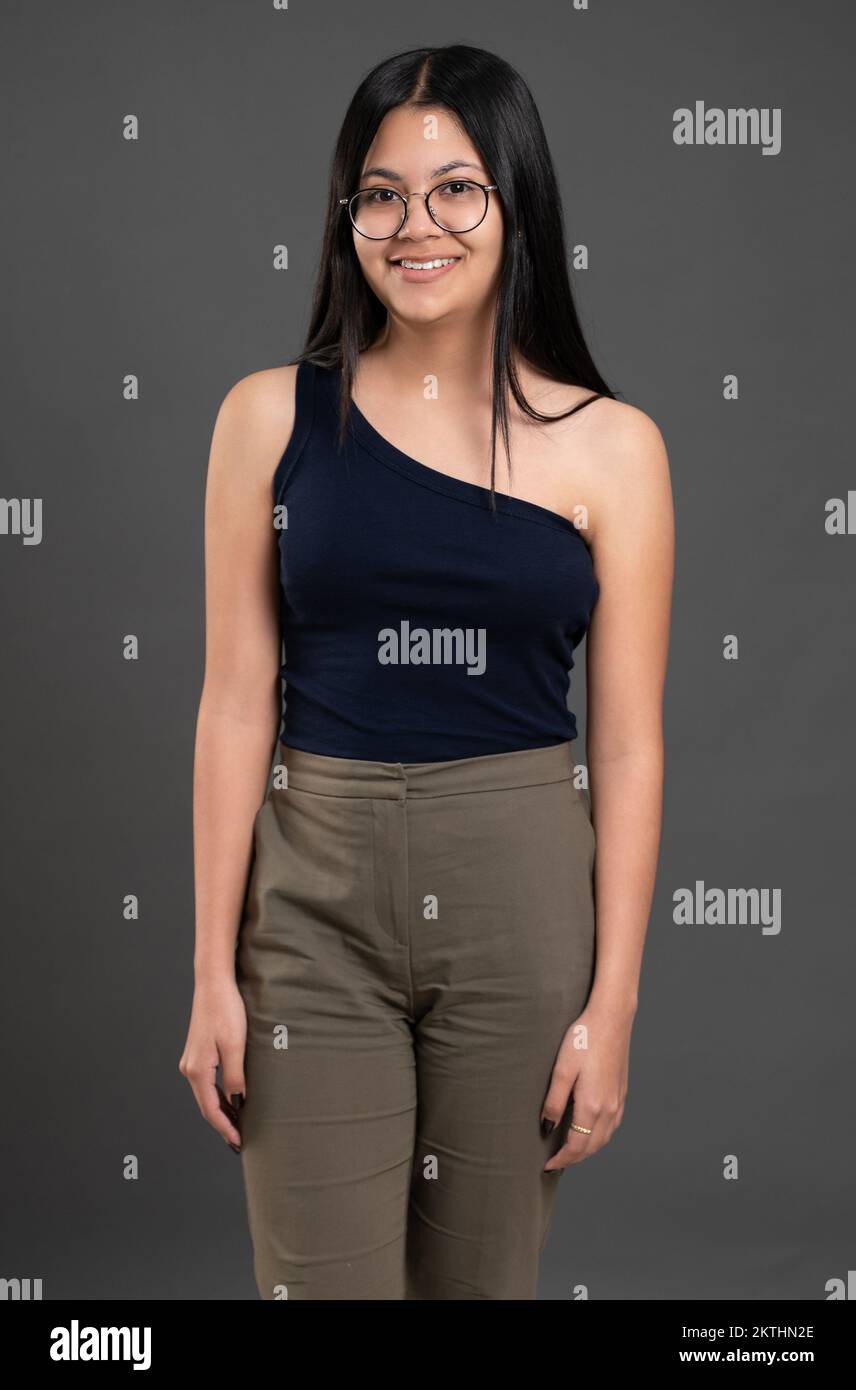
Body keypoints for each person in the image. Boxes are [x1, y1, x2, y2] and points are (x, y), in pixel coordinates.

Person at [179, 43, 674, 1301]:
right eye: (380, 193)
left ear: (518, 201)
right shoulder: (268, 420)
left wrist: (612, 1004)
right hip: (312, 902)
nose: (417, 225)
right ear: (347, 217)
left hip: (520, 897)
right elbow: (236, 701)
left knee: (481, 1287)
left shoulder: (613, 450)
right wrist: (209, 973)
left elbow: (625, 744)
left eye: (457, 188)